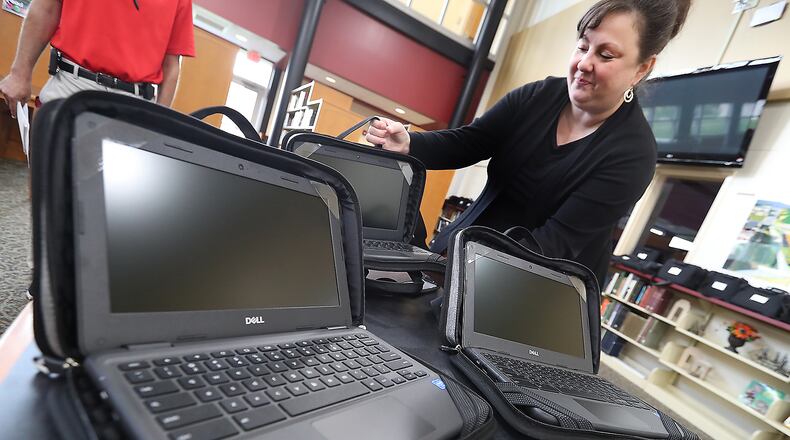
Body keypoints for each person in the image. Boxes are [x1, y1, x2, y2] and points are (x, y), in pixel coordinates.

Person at [367, 0, 692, 287]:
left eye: (606, 55)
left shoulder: (632, 154)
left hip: (535, 292)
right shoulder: (537, 97)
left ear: (643, 68)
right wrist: (408, 143)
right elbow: (469, 142)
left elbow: (553, 244)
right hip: (461, 254)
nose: (584, 63)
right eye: (582, 46)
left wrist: (461, 276)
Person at [0, 0, 195, 118]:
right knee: (48, 184)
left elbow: (171, 66)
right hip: (71, 86)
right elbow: (46, 9)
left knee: (118, 187)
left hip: (135, 105)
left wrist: (159, 122)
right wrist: (19, 74)